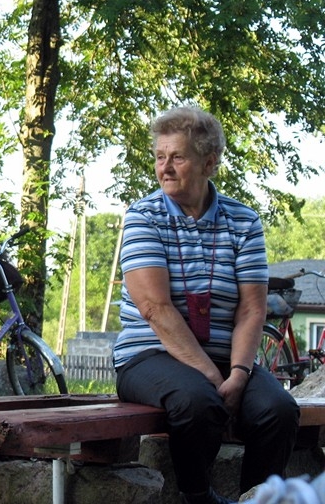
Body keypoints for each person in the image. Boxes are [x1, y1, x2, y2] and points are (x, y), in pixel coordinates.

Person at [112, 106, 300, 504]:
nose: (165, 168)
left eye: (177, 157)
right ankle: (197, 497)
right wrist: (214, 378)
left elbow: (251, 309)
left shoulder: (243, 221)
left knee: (279, 410)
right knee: (198, 401)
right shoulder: (143, 217)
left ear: (209, 163)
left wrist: (239, 372)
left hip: (225, 358)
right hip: (149, 356)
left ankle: (258, 498)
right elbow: (155, 309)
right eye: (160, 157)